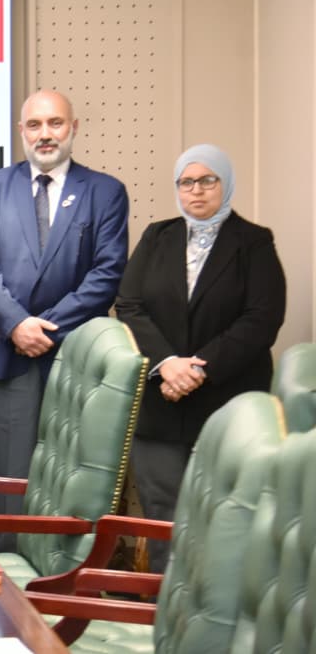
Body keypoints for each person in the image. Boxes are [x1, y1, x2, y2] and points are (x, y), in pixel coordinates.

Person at [0, 89, 128, 542]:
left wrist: (47, 328)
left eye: (55, 123)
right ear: (21, 131)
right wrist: (18, 324)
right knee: (8, 475)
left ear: (73, 128)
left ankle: (62, 568)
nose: (45, 134)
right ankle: (3, 565)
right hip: (9, 350)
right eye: (35, 125)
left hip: (75, 353)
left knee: (71, 475)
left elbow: (107, 273)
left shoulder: (105, 192)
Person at [116, 144, 284, 573]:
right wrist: (167, 364)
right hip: (160, 403)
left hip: (227, 405)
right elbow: (129, 304)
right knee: (164, 520)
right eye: (186, 182)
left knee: (224, 520)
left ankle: (218, 611)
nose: (196, 190)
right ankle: (165, 607)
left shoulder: (254, 242)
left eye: (208, 180)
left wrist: (196, 369)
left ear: (225, 184)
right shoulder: (157, 236)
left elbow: (262, 319)